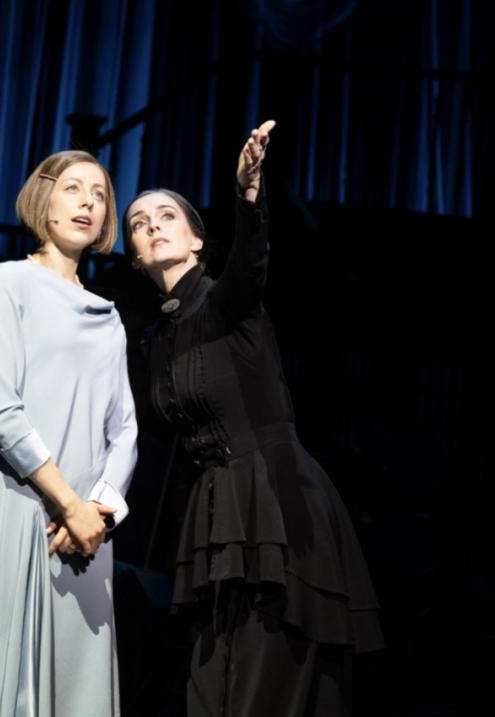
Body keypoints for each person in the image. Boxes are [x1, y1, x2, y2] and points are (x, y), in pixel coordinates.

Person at [124, 121, 384, 716]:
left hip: (276, 501)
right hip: (214, 514)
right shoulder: (154, 340)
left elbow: (250, 261)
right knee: (209, 687)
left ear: (195, 240)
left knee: (265, 682)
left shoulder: (226, 300)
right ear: (134, 255)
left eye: (167, 216)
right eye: (139, 223)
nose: (153, 226)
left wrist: (248, 194)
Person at [0, 151, 138, 716]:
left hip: (88, 527)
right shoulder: (11, 282)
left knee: (79, 678)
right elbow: (1, 410)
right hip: (23, 501)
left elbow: (125, 428)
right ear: (42, 200)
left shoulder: (108, 315)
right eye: (73, 188)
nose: (87, 202)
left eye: (99, 195)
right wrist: (67, 502)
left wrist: (96, 511)